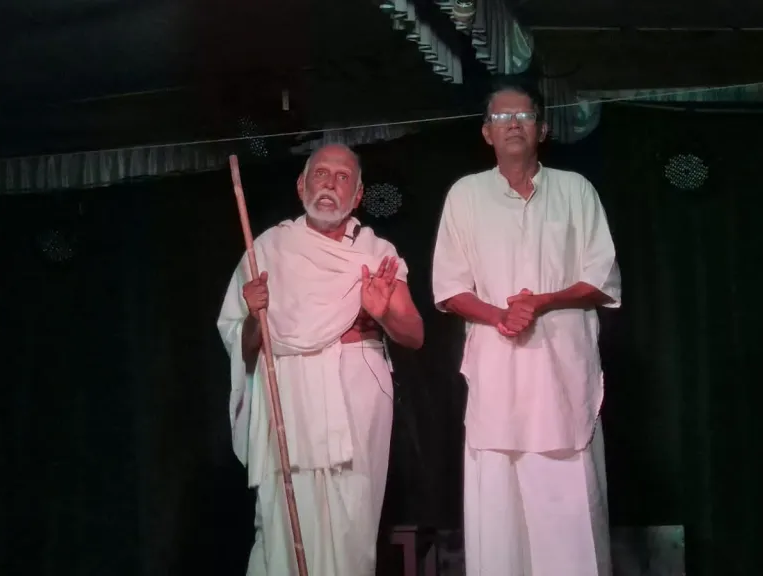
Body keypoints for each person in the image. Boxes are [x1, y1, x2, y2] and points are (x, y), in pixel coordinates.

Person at [432, 84, 621, 575]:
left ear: (543, 128)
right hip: (498, 383)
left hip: (562, 381)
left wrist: (543, 301)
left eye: (524, 115)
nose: (513, 123)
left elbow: (602, 278)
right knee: (500, 525)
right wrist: (500, 315)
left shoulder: (576, 189)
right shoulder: (466, 195)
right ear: (486, 133)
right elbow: (450, 287)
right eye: (501, 116)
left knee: (572, 523)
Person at [217, 143, 424, 575]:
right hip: (288, 399)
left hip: (356, 396)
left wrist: (383, 313)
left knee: (350, 523)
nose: (330, 184)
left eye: (343, 177)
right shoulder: (268, 249)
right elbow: (244, 344)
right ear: (301, 185)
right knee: (281, 523)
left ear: (358, 194)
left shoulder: (375, 252)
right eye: (321, 174)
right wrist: (254, 316)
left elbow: (414, 334)